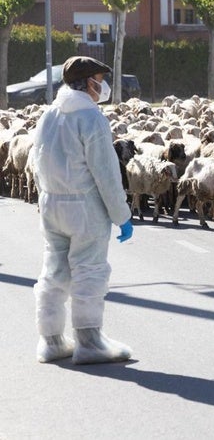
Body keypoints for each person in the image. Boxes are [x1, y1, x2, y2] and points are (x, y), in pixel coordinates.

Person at [31, 55, 135, 365]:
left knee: (54, 272)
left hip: (52, 204)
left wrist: (45, 201)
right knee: (89, 271)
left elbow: (37, 163)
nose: (101, 87)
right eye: (99, 81)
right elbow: (105, 171)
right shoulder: (91, 118)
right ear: (88, 82)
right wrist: (122, 215)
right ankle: (89, 341)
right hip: (85, 208)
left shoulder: (48, 115)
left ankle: (50, 341)